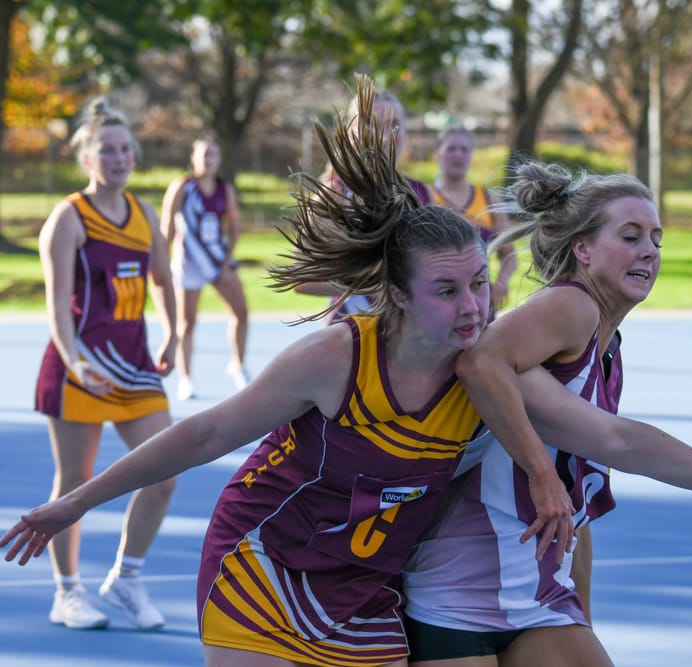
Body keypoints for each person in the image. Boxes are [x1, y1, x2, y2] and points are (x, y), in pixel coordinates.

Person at [1, 76, 574, 667]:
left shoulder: (483, 365)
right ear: (395, 293)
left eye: (479, 284)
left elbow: (607, 436)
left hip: (362, 590)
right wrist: (76, 503)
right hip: (264, 569)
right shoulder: (334, 356)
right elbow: (206, 433)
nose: (474, 307)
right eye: (448, 290)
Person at [399, 162, 692, 666]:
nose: (648, 251)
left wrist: (579, 613)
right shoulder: (573, 305)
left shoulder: (604, 348)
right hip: (458, 597)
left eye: (656, 239)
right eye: (630, 237)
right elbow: (481, 360)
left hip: (533, 600)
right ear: (582, 250)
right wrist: (542, 476)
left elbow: (588, 497)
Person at [32, 97, 178, 631]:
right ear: (87, 159)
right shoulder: (69, 217)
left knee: (164, 472)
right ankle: (66, 592)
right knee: (75, 484)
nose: (118, 158)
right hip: (82, 364)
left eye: (125, 149)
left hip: (134, 365)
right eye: (106, 150)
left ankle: (127, 578)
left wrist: (174, 335)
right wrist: (74, 359)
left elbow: (165, 280)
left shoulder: (142, 214)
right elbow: (56, 302)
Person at [295, 88, 431, 324]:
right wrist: (372, 281)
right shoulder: (333, 195)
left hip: (411, 333)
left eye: (395, 123)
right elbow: (302, 278)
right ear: (352, 130)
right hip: (352, 333)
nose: (387, 135)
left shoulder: (421, 192)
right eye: (373, 124)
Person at [161, 136, 250, 400]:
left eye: (212, 155)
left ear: (219, 160)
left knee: (241, 312)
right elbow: (166, 227)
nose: (208, 160)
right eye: (203, 155)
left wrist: (226, 262)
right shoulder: (182, 187)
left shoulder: (225, 190)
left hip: (217, 260)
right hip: (189, 263)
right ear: (193, 158)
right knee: (186, 323)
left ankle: (238, 365)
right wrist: (163, 264)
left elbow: (234, 227)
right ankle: (186, 379)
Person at [430, 124, 517, 312]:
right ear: (437, 153)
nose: (458, 155)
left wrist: (502, 282)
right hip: (435, 302)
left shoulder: (489, 199)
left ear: (471, 155)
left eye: (464, 149)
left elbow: (509, 254)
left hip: (479, 302)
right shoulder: (424, 197)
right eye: (451, 148)